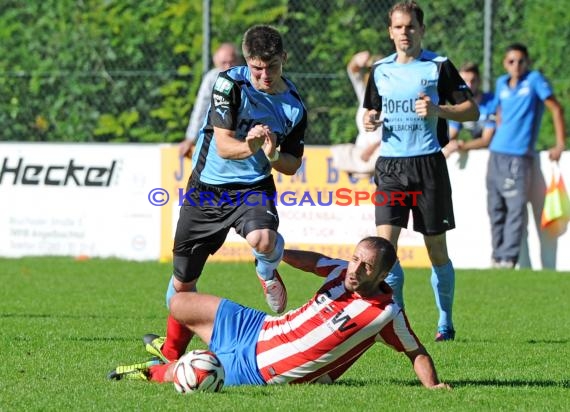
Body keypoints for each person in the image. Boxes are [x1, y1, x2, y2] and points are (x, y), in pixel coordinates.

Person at [144, 25, 308, 364]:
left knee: (263, 239)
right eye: (257, 67)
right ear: (247, 61)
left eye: (272, 66)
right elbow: (223, 145)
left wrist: (274, 154)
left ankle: (265, 271)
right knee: (182, 286)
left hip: (252, 189)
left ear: (284, 60)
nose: (264, 75)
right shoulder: (229, 84)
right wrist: (252, 145)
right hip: (207, 190)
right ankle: (170, 354)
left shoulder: (294, 106)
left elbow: (291, 165)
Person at [108, 237, 451, 390]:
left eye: (366, 267)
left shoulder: (386, 313)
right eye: (355, 258)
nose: (355, 269)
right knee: (180, 302)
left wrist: (433, 386)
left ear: (381, 276)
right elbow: (313, 260)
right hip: (258, 328)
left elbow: (416, 352)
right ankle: (168, 350)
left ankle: (152, 374)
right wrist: (275, 253)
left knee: (197, 375)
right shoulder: (340, 272)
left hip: (262, 370)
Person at [362, 0, 479, 341]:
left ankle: (445, 322)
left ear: (421, 30)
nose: (404, 33)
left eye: (410, 26)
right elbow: (371, 111)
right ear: (390, 31)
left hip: (428, 164)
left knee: (436, 250)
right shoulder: (380, 70)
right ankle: (395, 320)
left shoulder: (438, 66)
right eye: (398, 27)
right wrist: (370, 119)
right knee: (385, 251)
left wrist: (439, 109)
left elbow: (471, 111)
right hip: (391, 166)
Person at [481, 43, 565, 268]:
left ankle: (508, 259)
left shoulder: (535, 80)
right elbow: (495, 111)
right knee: (495, 208)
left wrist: (559, 143)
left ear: (527, 62)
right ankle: (496, 258)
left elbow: (556, 109)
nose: (516, 65)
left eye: (520, 61)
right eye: (511, 61)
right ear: (504, 63)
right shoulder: (501, 83)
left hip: (519, 156)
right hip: (496, 153)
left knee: (515, 210)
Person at [179, 43, 240, 159]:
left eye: (231, 62)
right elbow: (201, 109)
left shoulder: (247, 77)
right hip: (216, 138)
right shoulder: (211, 79)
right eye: (223, 63)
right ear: (216, 63)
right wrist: (191, 138)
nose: (228, 66)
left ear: (238, 61)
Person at [330, 51, 383, 178]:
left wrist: (370, 150)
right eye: (371, 70)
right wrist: (356, 60)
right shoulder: (366, 94)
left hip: (379, 153)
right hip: (361, 154)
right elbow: (352, 70)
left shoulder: (392, 97)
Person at [442, 62, 496, 157]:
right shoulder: (460, 105)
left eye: (473, 81)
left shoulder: (492, 102)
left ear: (479, 81)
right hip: (481, 153)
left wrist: (462, 145)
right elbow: (451, 134)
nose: (469, 85)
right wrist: (449, 145)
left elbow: (486, 140)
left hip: (498, 153)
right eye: (464, 81)